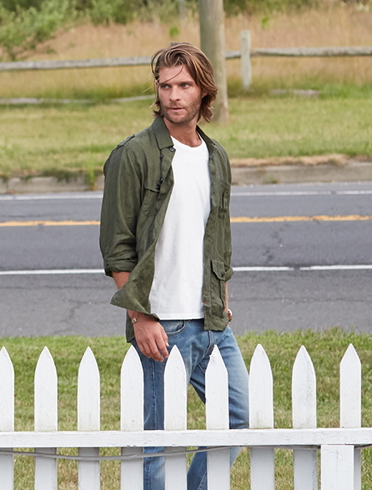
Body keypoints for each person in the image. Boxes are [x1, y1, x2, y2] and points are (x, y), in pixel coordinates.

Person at [99, 42, 249, 489]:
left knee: (238, 420)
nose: (173, 95)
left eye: (184, 85)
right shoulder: (134, 155)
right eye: (165, 86)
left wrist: (221, 298)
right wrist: (141, 316)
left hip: (212, 319)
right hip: (163, 322)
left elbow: (215, 236)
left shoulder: (215, 156)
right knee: (160, 441)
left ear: (204, 90)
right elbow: (116, 248)